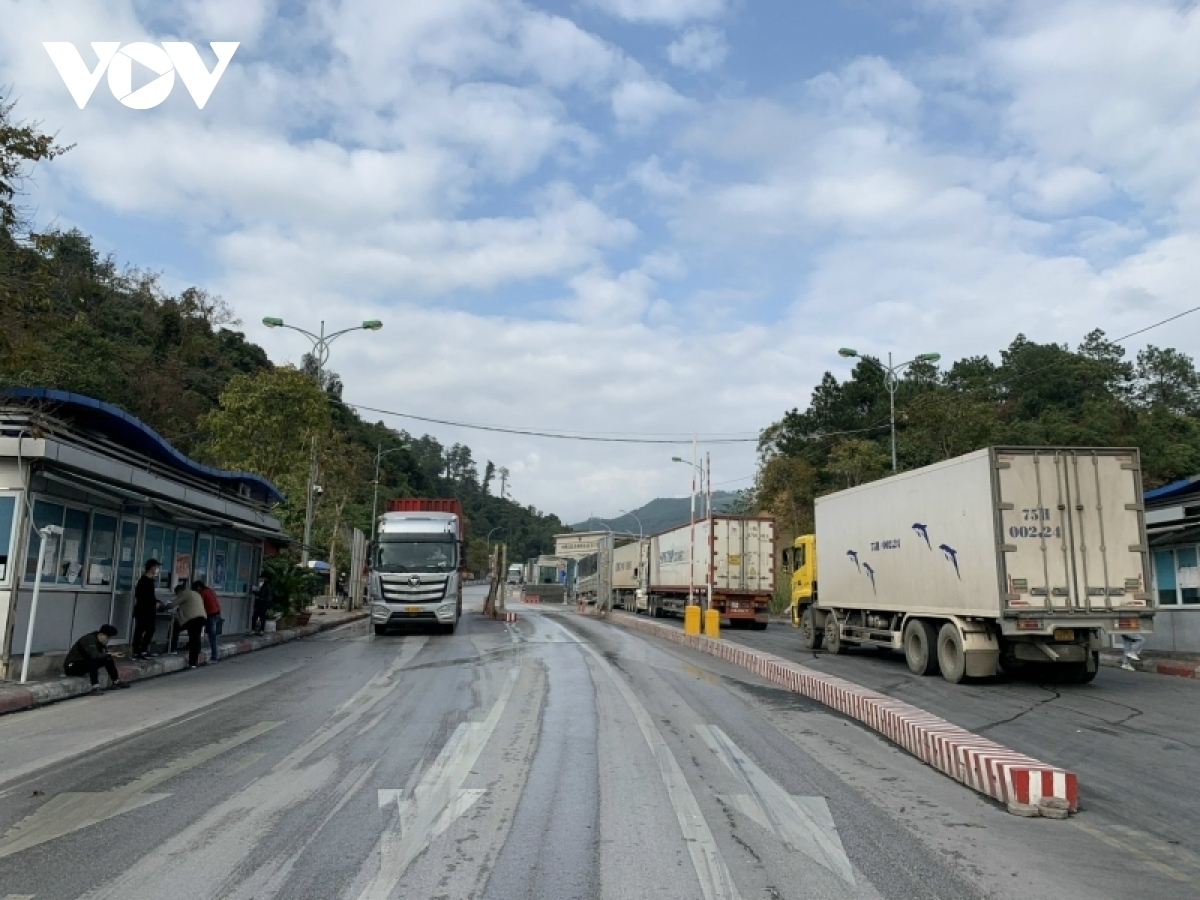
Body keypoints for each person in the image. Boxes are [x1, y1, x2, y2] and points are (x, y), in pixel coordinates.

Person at [64, 624, 131, 693]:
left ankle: (116, 681)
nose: (108, 640)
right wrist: (110, 654)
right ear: (101, 635)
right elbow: (94, 655)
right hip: (72, 666)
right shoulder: (89, 639)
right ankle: (95, 687)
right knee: (93, 661)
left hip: (84, 663)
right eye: (107, 638)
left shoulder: (100, 642)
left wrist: (110, 655)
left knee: (108, 659)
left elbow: (103, 655)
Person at [172, 580, 208, 669]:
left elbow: (173, 604)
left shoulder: (184, 593)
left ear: (179, 591)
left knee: (191, 638)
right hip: (202, 617)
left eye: (176, 593)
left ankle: (191, 662)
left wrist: (162, 606)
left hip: (193, 619)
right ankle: (195, 658)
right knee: (196, 638)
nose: (177, 595)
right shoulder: (195, 593)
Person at [132, 559, 162, 660]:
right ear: (152, 567)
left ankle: (144, 650)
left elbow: (151, 596)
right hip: (143, 610)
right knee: (140, 631)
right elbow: (142, 596)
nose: (157, 569)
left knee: (150, 629)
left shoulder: (151, 580)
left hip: (149, 610)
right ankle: (136, 652)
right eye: (156, 567)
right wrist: (154, 602)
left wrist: (156, 601)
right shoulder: (144, 581)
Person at [194, 578, 222, 664]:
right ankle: (214, 656)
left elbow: (199, 604)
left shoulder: (203, 593)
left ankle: (214, 657)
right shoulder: (210, 590)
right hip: (216, 613)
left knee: (212, 637)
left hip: (211, 615)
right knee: (211, 635)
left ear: (198, 587)